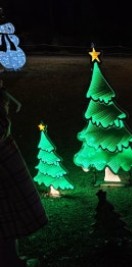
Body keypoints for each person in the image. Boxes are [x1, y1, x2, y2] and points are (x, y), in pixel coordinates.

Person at [0, 78, 48, 267]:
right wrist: (3, 109)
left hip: (5, 167)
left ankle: (11, 258)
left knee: (7, 220)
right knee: (5, 218)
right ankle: (10, 261)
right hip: (3, 171)